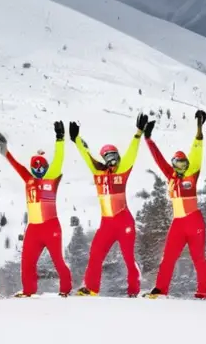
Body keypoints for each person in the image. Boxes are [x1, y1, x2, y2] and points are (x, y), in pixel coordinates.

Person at [69, 113, 149, 297]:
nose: (111, 159)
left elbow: (132, 153)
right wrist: (76, 140)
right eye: (107, 156)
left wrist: (138, 133)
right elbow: (86, 156)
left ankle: (133, 290)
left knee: (128, 258)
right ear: (104, 158)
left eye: (114, 155)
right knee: (95, 254)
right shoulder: (98, 172)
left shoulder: (123, 170)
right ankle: (90, 288)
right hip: (107, 223)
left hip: (124, 221)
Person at [0, 121, 72, 297]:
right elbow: (16, 165)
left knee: (58, 260)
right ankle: (29, 290)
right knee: (27, 262)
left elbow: (59, 158)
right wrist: (4, 150)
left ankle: (65, 290)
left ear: (46, 167)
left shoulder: (52, 177)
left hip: (51, 226)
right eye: (34, 166)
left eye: (40, 166)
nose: (37, 169)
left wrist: (60, 138)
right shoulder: (28, 178)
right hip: (34, 228)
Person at [142, 110, 206, 299]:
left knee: (198, 258)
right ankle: (161, 288)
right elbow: (159, 160)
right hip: (178, 223)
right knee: (168, 257)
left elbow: (197, 151)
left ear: (187, 164)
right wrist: (148, 139)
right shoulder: (171, 176)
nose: (179, 166)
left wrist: (199, 129)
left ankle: (203, 291)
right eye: (176, 162)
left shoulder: (192, 174)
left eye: (182, 162)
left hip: (194, 220)